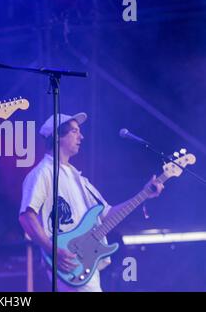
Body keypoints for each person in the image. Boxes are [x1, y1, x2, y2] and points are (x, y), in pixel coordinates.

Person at [18, 113, 164, 292]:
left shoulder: (80, 179)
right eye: (74, 131)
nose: (81, 136)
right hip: (68, 261)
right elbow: (26, 216)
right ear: (57, 137)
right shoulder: (42, 173)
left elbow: (108, 215)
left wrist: (144, 194)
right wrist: (52, 249)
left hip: (86, 264)